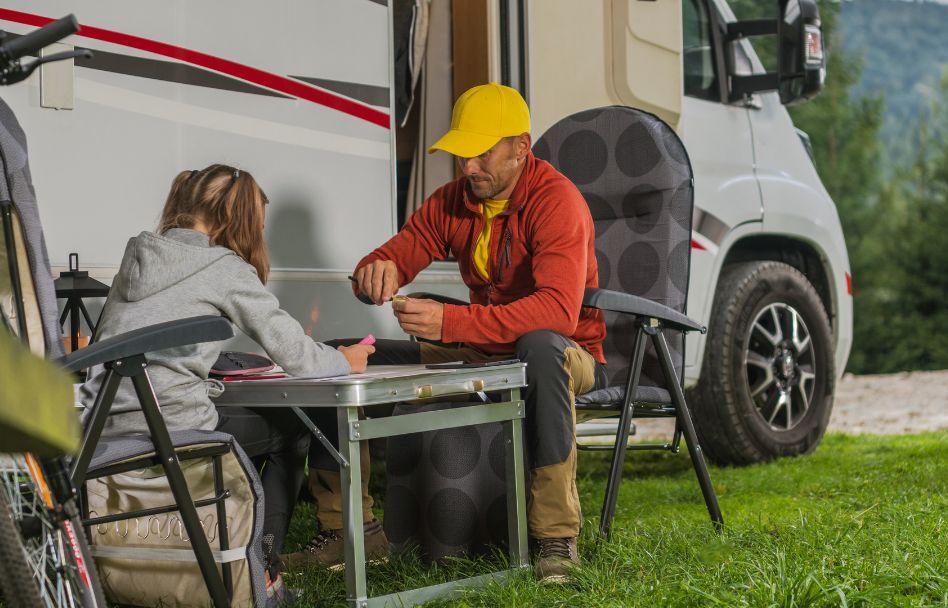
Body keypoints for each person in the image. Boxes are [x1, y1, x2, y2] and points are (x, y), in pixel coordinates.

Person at [289, 84, 607, 582]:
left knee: (540, 347)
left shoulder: (556, 202)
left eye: (481, 152)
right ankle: (348, 531)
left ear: (521, 148)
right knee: (336, 357)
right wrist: (376, 272)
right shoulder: (455, 201)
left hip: (567, 355)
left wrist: (450, 322)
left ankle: (555, 539)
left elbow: (557, 314)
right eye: (462, 153)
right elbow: (400, 250)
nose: (469, 166)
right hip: (480, 349)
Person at [80, 164, 374, 596]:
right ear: (237, 218)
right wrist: (346, 359)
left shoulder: (137, 255)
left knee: (239, 420)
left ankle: (230, 536)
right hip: (174, 431)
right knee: (292, 428)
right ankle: (262, 568)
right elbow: (298, 355)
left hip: (104, 431)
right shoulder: (224, 266)